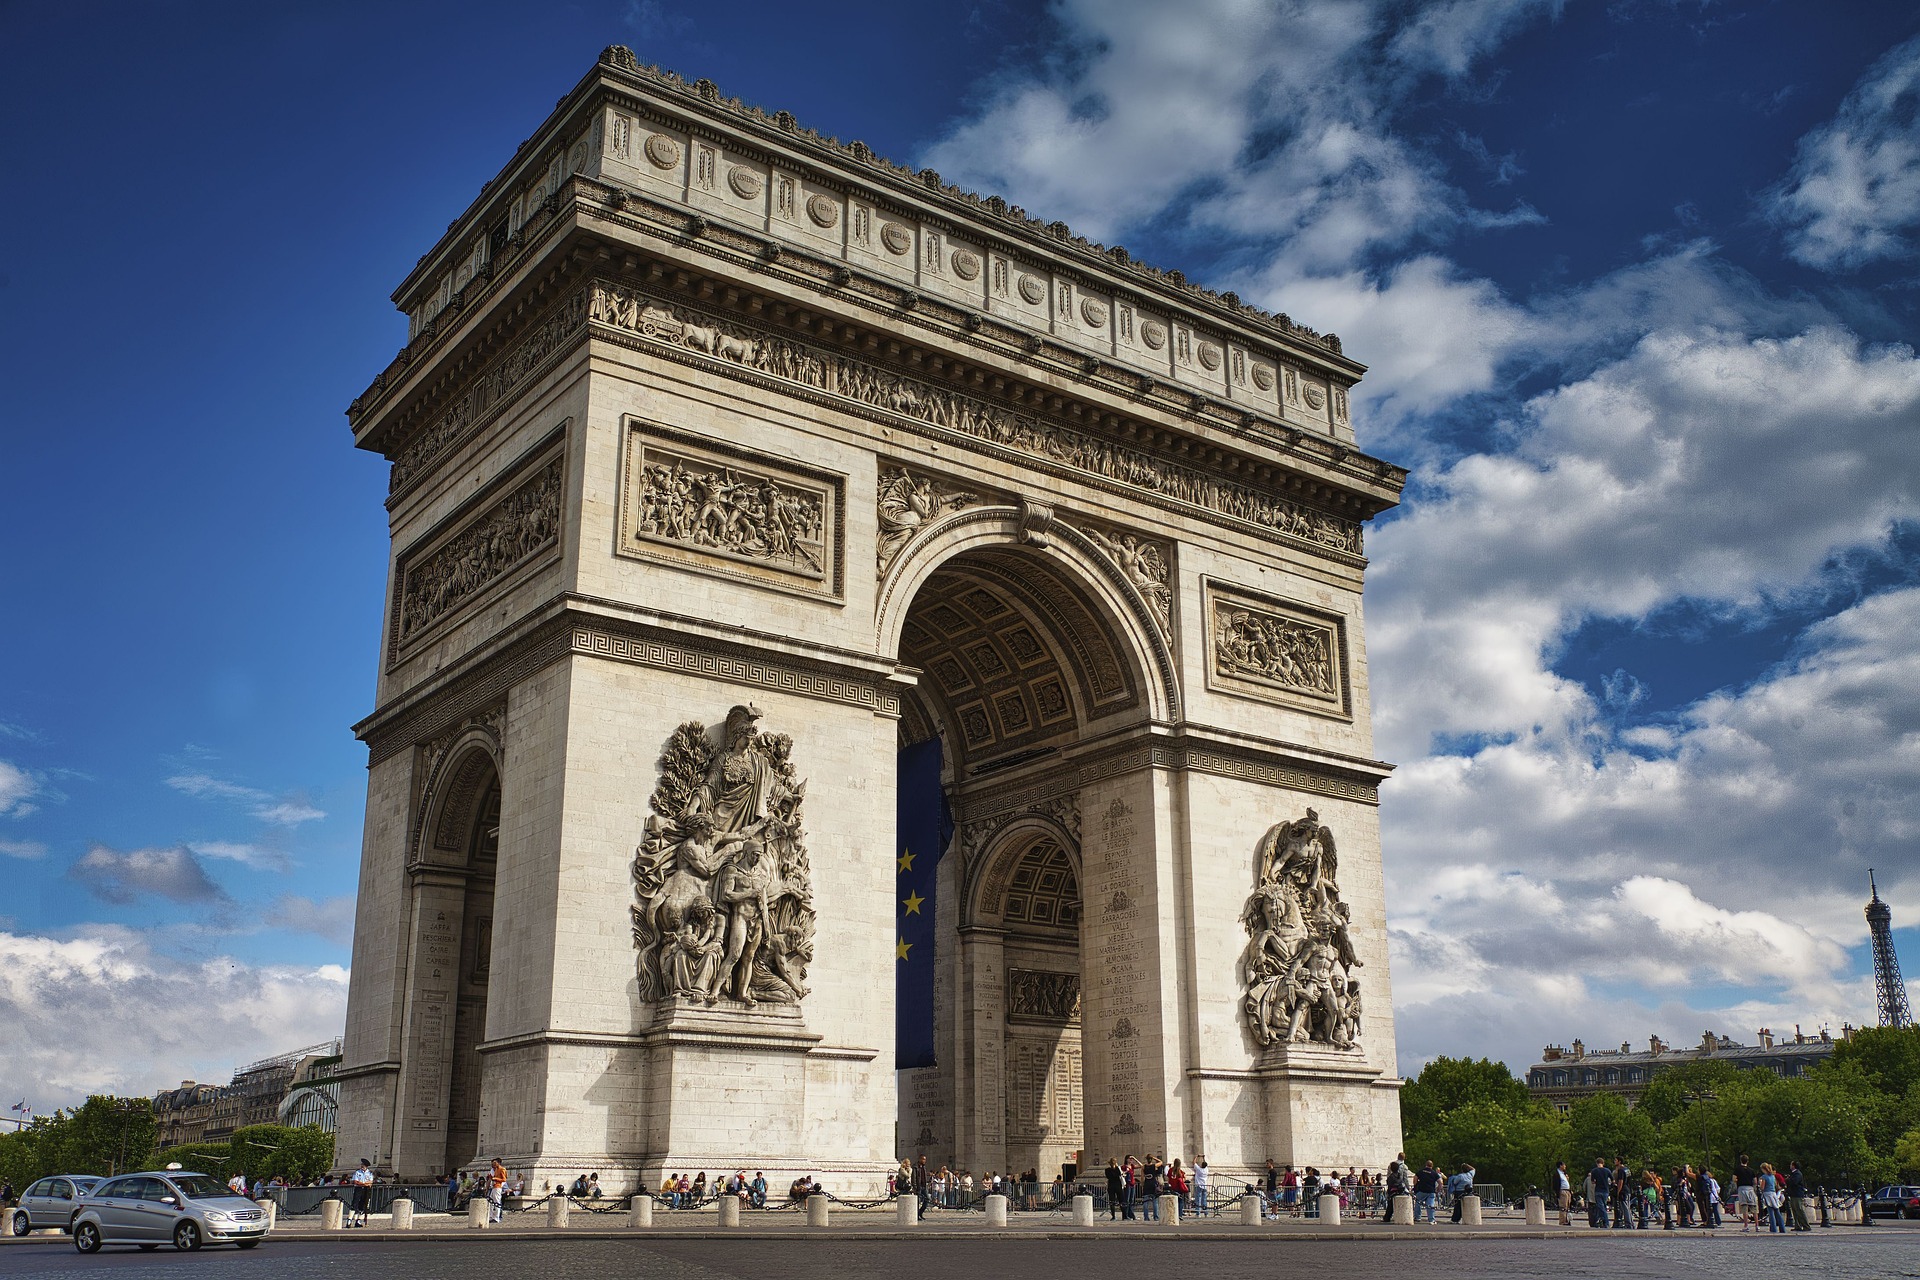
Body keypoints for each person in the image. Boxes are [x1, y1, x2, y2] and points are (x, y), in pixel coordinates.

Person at [1733, 1155, 1758, 1230]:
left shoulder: (1737, 1169)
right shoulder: (1752, 1170)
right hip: (1750, 1189)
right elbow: (1755, 1181)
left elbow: (1734, 1179)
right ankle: (1757, 1225)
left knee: (1744, 1208)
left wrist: (1739, 1180)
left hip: (1742, 1188)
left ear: (1741, 1160)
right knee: (1754, 1208)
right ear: (1747, 1161)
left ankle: (1746, 1226)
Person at [1786, 1162, 1811, 1231]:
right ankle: (1798, 1225)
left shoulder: (1797, 1174)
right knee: (1795, 1210)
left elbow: (1794, 1182)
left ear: (1793, 1166)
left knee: (1799, 1210)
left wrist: (1788, 1179)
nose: (1790, 1166)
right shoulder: (1794, 1173)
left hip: (1797, 1194)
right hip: (1793, 1194)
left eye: (1791, 1164)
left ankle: (1806, 1225)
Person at [488, 1157, 508, 1224]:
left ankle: (496, 1217)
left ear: (498, 1163)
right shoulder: (495, 1169)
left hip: (498, 1186)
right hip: (494, 1186)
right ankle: (491, 1216)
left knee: (496, 1202)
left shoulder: (502, 1169)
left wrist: (496, 1179)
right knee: (491, 1201)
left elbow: (504, 1179)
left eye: (495, 1163)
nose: (494, 1164)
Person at [1553, 1160, 1572, 1226]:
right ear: (1560, 1166)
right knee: (1563, 1207)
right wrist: (1557, 1192)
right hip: (1562, 1191)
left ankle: (1566, 1220)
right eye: (1564, 1165)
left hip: (1567, 1190)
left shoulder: (1564, 1173)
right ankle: (1562, 1221)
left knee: (1567, 1206)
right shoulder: (1557, 1174)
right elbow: (1555, 1184)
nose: (1565, 1166)